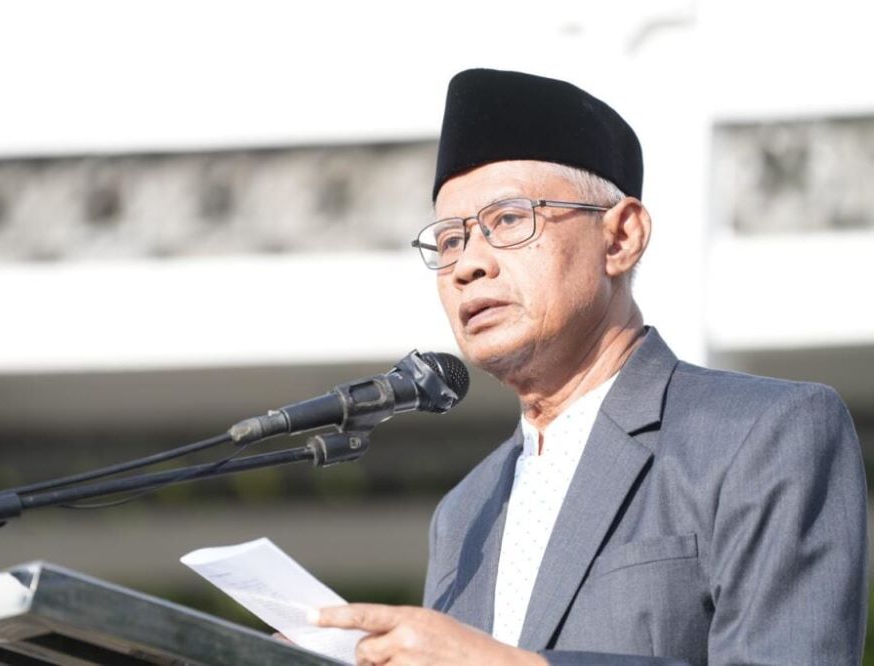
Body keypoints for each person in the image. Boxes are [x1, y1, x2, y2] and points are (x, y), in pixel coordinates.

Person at [312, 69, 868, 665]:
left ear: (621, 237)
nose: (469, 264)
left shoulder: (763, 433)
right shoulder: (465, 512)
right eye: (450, 240)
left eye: (508, 220)